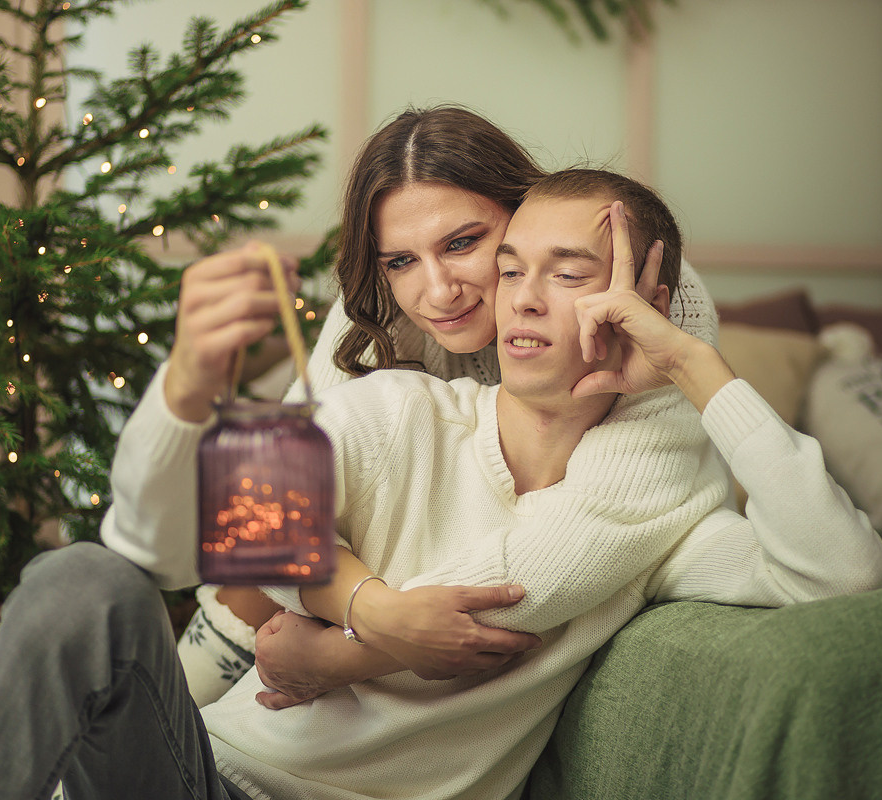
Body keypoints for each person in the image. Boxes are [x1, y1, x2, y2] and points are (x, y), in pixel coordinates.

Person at [0, 168, 882, 800]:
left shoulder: (658, 512)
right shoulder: (404, 408)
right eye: (513, 270)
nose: (522, 299)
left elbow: (843, 570)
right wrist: (370, 611)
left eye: (570, 271)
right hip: (208, 776)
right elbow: (240, 528)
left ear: (648, 299)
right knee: (85, 580)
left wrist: (691, 364)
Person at [169, 106, 720, 704]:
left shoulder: (646, 295)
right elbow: (267, 498)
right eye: (401, 260)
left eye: (462, 243)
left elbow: (574, 544)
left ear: (524, 208)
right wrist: (368, 607)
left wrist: (336, 658)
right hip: (361, 582)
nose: (437, 292)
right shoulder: (380, 312)